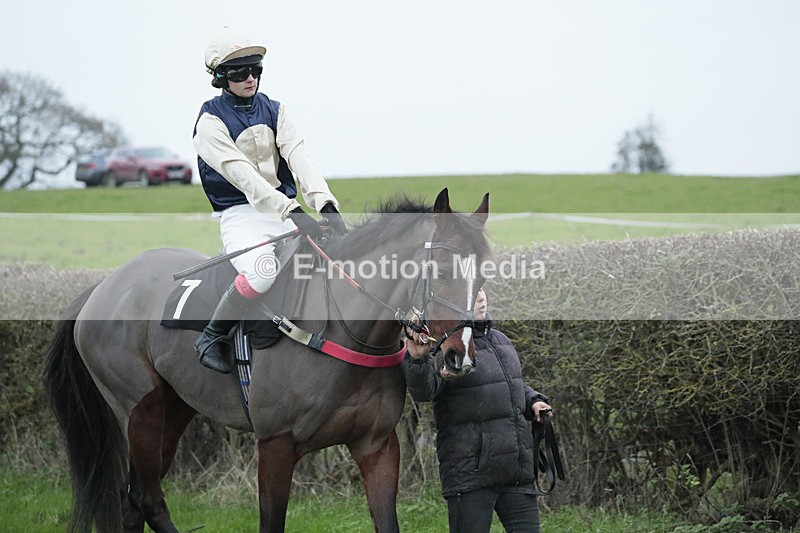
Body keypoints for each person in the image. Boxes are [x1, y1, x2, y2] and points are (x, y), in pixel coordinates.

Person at [192, 26, 347, 374]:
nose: (251, 78)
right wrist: (290, 209)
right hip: (241, 216)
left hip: (283, 212)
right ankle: (212, 336)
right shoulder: (209, 123)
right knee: (263, 273)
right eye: (240, 72)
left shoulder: (275, 110)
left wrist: (325, 204)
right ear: (220, 77)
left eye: (256, 69)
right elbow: (242, 175)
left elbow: (299, 157)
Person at [403, 289, 553, 533]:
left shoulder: (500, 340)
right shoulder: (445, 346)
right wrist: (417, 361)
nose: (480, 296)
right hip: (470, 473)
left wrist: (532, 401)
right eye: (471, 293)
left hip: (515, 469)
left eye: (481, 290)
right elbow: (424, 391)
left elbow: (509, 385)